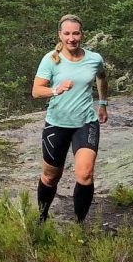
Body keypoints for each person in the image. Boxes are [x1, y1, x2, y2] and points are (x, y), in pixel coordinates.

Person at [32, 14, 109, 223]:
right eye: (67, 33)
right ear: (60, 35)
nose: (71, 38)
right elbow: (36, 91)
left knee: (85, 174)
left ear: (82, 34)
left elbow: (101, 77)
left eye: (75, 33)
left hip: (85, 123)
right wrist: (56, 90)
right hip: (57, 124)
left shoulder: (94, 59)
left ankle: (79, 223)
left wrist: (102, 104)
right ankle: (42, 217)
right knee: (50, 177)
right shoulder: (51, 59)